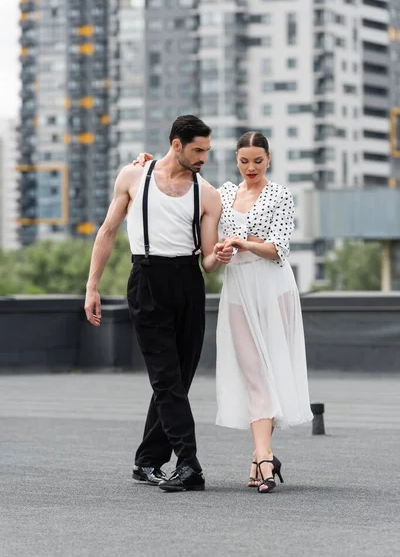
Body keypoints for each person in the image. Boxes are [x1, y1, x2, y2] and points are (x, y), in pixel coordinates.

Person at [135, 130, 313, 494]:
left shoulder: (280, 194)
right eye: (244, 161)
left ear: (269, 159)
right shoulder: (223, 193)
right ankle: (264, 456)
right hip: (237, 290)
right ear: (236, 160)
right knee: (253, 373)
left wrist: (242, 243)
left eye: (258, 161)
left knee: (271, 370)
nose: (251, 168)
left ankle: (261, 455)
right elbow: (181, 177)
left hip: (273, 287)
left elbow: (279, 249)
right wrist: (146, 165)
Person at [84, 115, 232, 493]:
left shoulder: (208, 194)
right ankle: (189, 463)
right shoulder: (134, 176)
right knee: (166, 378)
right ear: (176, 144)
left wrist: (220, 255)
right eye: (198, 150)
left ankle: (147, 461)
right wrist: (92, 286)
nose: (204, 158)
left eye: (207, 151)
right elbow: (108, 231)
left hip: (188, 283)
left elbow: (208, 263)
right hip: (146, 280)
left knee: (178, 379)